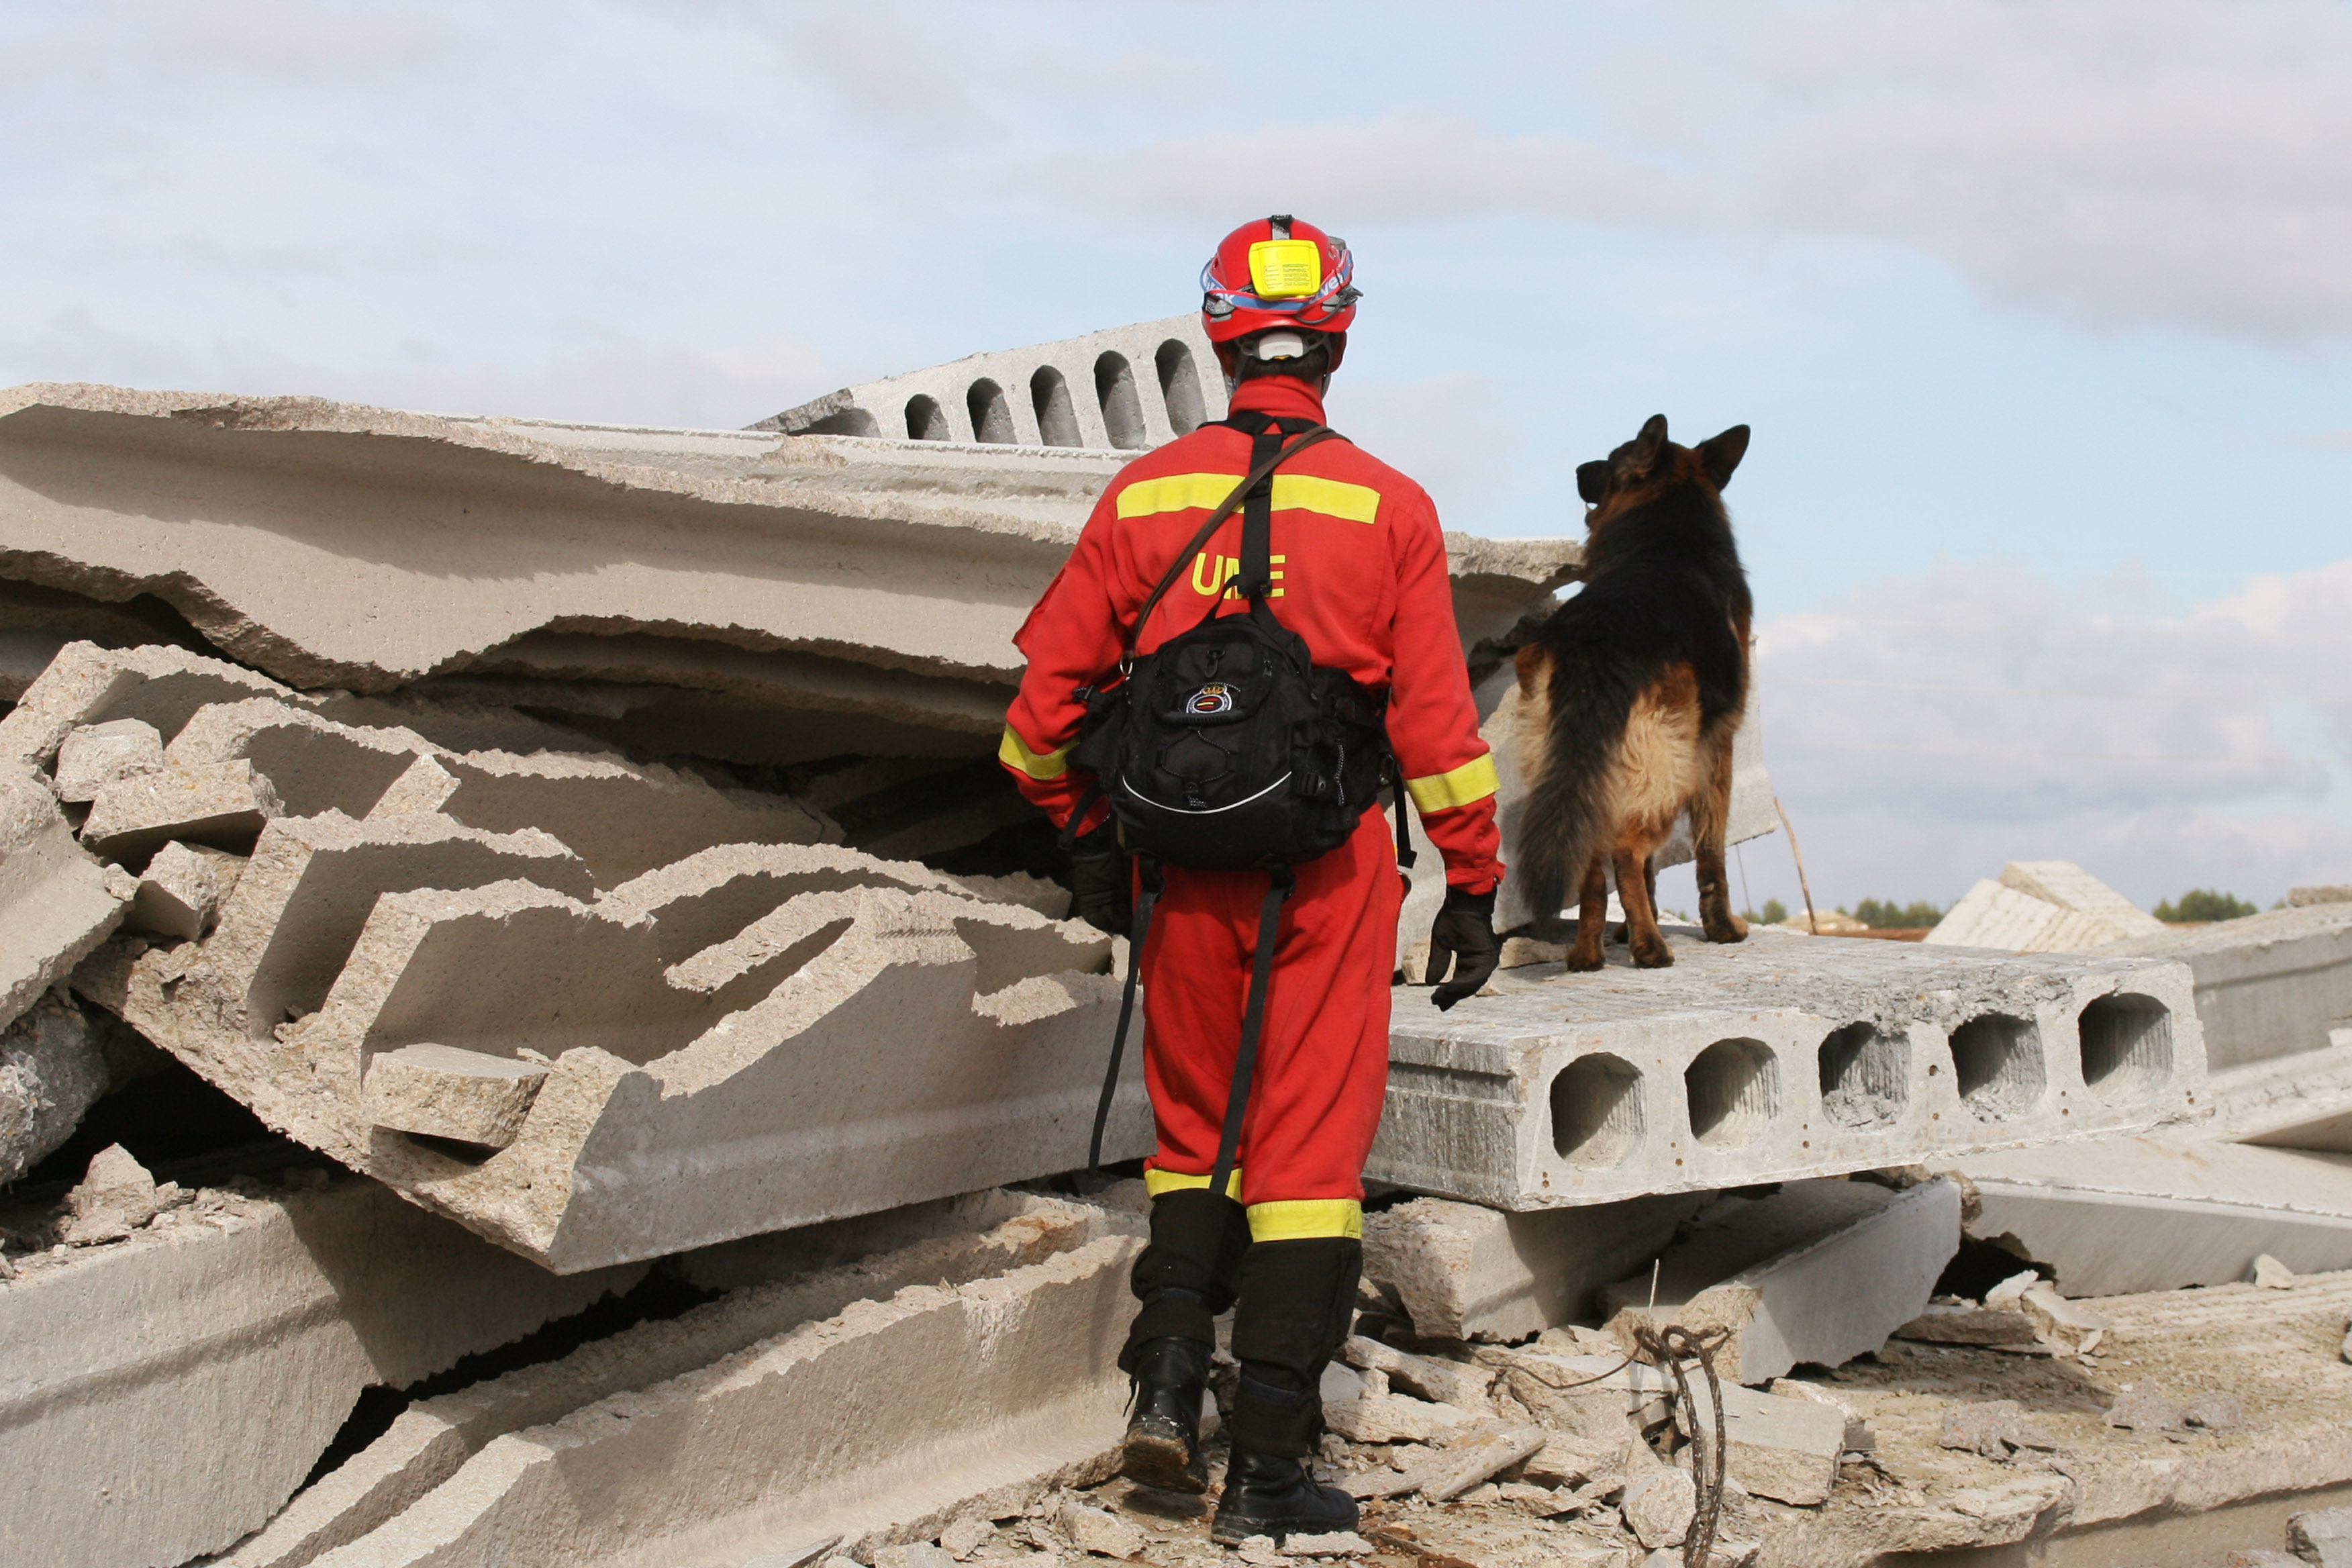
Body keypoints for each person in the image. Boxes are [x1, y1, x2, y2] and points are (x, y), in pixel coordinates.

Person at [997, 215, 1503, 1542]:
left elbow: (1036, 724)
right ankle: (1270, 1475)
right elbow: (1439, 731)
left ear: (1218, 336)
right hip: (1329, 877)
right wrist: (1474, 881)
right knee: (1307, 1156)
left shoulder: (1143, 497)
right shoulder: (1389, 506)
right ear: (1338, 338)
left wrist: (1095, 836)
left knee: (1191, 1137)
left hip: (1178, 875)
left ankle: (1166, 1387)